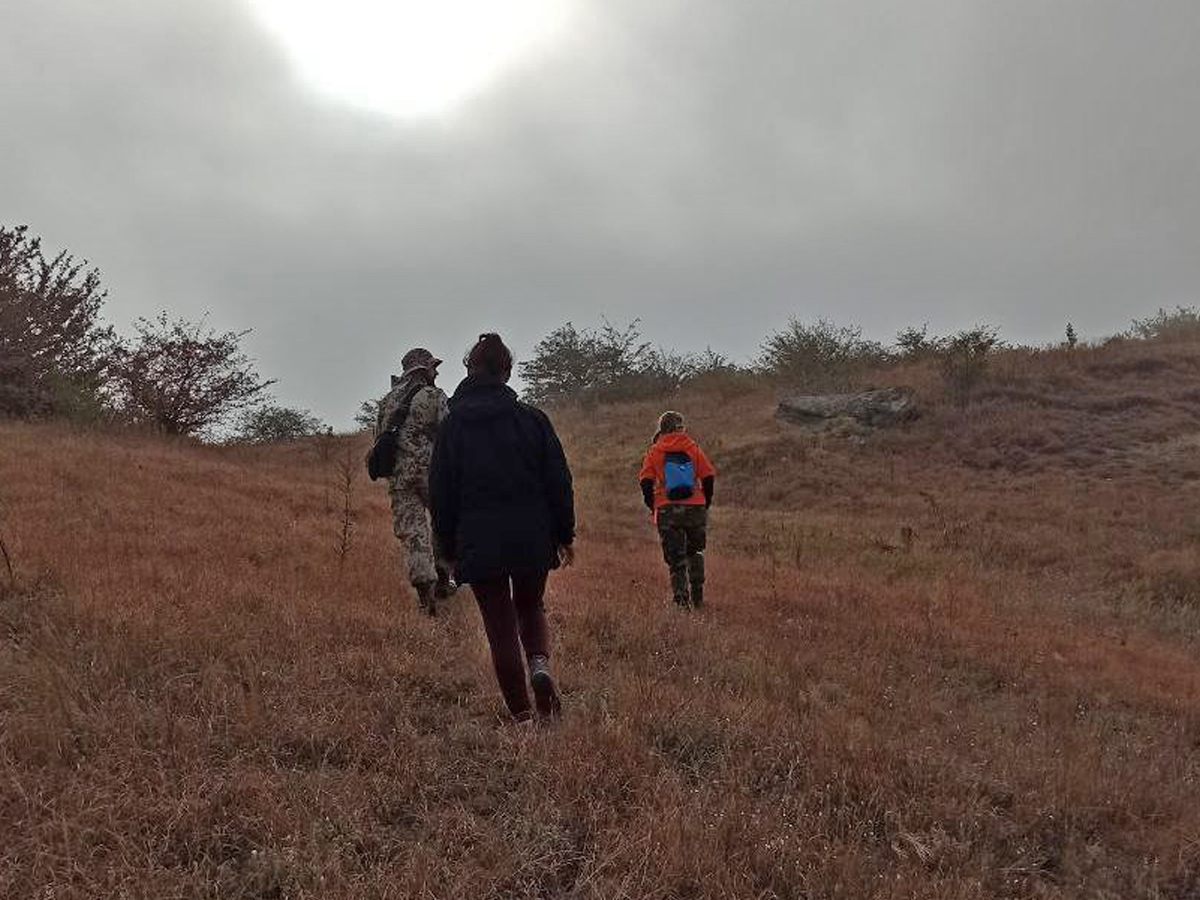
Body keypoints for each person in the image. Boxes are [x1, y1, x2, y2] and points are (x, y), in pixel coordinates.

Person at [430, 333, 575, 721]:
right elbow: (559, 481)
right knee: (530, 606)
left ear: (468, 370)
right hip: (532, 536)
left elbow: (440, 492)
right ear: (507, 372)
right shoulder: (532, 420)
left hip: (478, 541)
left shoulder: (453, 427)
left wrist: (445, 547)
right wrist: (564, 534)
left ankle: (523, 716)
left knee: (498, 624)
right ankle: (540, 665)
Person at [376, 347, 455, 615]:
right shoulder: (434, 396)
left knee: (413, 534)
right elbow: (449, 434)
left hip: (400, 478)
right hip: (433, 473)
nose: (437, 372)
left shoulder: (387, 401)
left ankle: (425, 594)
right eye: (434, 367)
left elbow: (380, 439)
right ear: (425, 369)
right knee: (445, 522)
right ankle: (444, 573)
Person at [638, 411, 716, 609]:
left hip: (667, 508)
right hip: (695, 506)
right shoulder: (693, 447)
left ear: (662, 429)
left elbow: (645, 481)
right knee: (695, 551)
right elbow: (708, 476)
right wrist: (705, 502)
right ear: (680, 427)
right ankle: (698, 598)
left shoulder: (654, 451)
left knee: (675, 558)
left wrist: (653, 504)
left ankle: (681, 601)